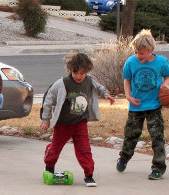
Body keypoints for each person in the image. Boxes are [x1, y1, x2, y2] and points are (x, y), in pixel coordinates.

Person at [40, 51, 115, 187]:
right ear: (70, 70)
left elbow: (99, 87)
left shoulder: (89, 81)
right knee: (56, 148)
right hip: (63, 124)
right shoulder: (63, 83)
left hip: (80, 122)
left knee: (84, 149)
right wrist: (46, 119)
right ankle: (49, 166)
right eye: (76, 73)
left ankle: (89, 175)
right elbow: (49, 99)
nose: (79, 76)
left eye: (83, 73)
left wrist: (106, 95)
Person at [116, 29, 169, 180]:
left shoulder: (161, 62)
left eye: (141, 53)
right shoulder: (131, 61)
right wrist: (128, 96)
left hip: (154, 106)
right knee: (131, 134)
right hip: (136, 105)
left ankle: (158, 167)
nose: (138, 56)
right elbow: (127, 80)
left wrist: (165, 85)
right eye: (136, 52)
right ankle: (124, 157)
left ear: (151, 50)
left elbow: (168, 75)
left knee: (157, 136)